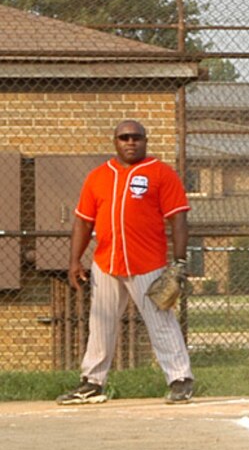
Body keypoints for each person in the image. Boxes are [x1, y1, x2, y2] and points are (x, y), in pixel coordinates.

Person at [58, 119, 195, 405]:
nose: (130, 142)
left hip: (147, 263)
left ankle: (180, 379)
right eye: (124, 137)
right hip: (106, 263)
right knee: (101, 323)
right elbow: (83, 222)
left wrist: (179, 261)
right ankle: (93, 382)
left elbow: (178, 219)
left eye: (136, 137)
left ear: (145, 141)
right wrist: (74, 261)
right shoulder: (98, 176)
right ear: (115, 142)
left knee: (160, 321)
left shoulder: (160, 173)